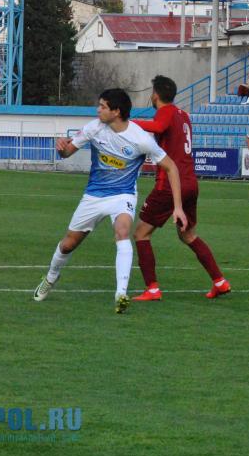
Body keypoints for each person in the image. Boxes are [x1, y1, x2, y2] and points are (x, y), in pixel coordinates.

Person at [32, 88, 187, 314]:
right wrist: (61, 148)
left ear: (116, 111)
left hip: (123, 195)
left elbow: (171, 167)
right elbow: (66, 153)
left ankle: (121, 294)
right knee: (68, 244)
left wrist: (178, 207)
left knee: (122, 232)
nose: (98, 110)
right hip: (93, 196)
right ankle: (51, 277)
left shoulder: (140, 138)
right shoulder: (94, 128)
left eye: (103, 106)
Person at [130, 75, 230, 302]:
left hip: (169, 183)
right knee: (188, 235)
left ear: (155, 94)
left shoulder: (165, 112)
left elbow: (158, 126)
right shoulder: (183, 115)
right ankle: (219, 281)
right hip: (190, 182)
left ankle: (152, 289)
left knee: (141, 233)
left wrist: (130, 123)